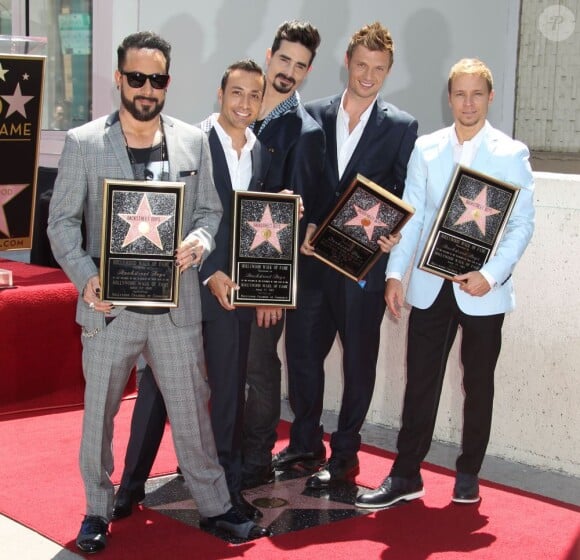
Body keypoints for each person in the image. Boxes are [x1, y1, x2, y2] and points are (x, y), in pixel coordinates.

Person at [47, 32, 268, 554]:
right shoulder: (83, 144)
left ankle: (214, 505)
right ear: (119, 78)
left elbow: (210, 212)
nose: (147, 88)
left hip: (175, 307)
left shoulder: (193, 140)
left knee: (192, 410)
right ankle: (97, 511)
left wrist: (199, 238)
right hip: (109, 306)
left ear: (167, 82)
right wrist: (86, 276)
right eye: (138, 77)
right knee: (99, 416)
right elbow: (60, 225)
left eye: (158, 79)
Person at [355, 58, 535, 509]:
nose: (468, 103)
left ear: (490, 98)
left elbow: (521, 225)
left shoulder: (511, 154)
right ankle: (405, 474)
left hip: (482, 291)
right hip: (430, 285)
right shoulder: (427, 148)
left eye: (477, 94)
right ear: (449, 97)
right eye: (460, 94)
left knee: (477, 385)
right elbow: (412, 217)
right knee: (420, 383)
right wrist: (397, 274)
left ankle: (469, 472)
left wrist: (490, 276)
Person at [111, 59, 272, 522]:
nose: (244, 103)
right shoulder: (188, 141)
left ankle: (226, 488)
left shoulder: (261, 151)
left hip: (232, 296)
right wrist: (209, 271)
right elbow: (178, 215)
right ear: (219, 94)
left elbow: (246, 221)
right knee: (158, 390)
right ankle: (131, 485)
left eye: (253, 96)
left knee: (227, 391)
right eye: (236, 93)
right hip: (186, 283)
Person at [273, 22, 418, 489]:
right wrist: (306, 225)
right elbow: (304, 184)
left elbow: (402, 192)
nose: (369, 75)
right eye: (361, 65)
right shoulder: (311, 115)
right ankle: (305, 442)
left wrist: (393, 235)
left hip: (363, 269)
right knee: (301, 355)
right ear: (347, 63)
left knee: (359, 362)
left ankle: (346, 454)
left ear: (388, 70)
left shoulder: (401, 126)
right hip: (314, 261)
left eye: (379, 69)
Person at [241, 20, 328, 489]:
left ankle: (255, 461)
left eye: (300, 65)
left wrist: (273, 287)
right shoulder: (241, 107)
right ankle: (226, 451)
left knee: (258, 364)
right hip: (220, 265)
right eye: (283, 59)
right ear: (269, 54)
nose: (289, 71)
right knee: (224, 365)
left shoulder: (305, 131)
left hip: (263, 271)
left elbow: (299, 217)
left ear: (308, 70)